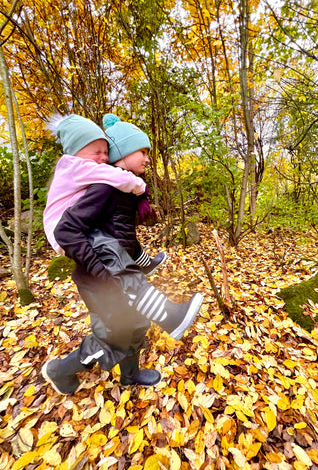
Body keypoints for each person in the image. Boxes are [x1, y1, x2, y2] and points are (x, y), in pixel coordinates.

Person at [41, 114, 203, 395]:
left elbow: (124, 240)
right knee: (112, 337)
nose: (148, 159)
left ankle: (131, 376)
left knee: (137, 323)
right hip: (98, 280)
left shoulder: (120, 190)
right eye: (142, 151)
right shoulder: (104, 188)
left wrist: (145, 263)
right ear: (125, 151)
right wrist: (102, 272)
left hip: (114, 275)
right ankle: (59, 370)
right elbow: (67, 232)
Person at [43, 114, 166, 276]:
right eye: (97, 152)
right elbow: (118, 176)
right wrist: (142, 189)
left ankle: (142, 266)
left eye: (106, 152)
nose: (104, 158)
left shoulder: (78, 170)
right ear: (77, 152)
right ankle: (133, 289)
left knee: (116, 237)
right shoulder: (76, 166)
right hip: (67, 232)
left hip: (74, 228)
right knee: (112, 255)